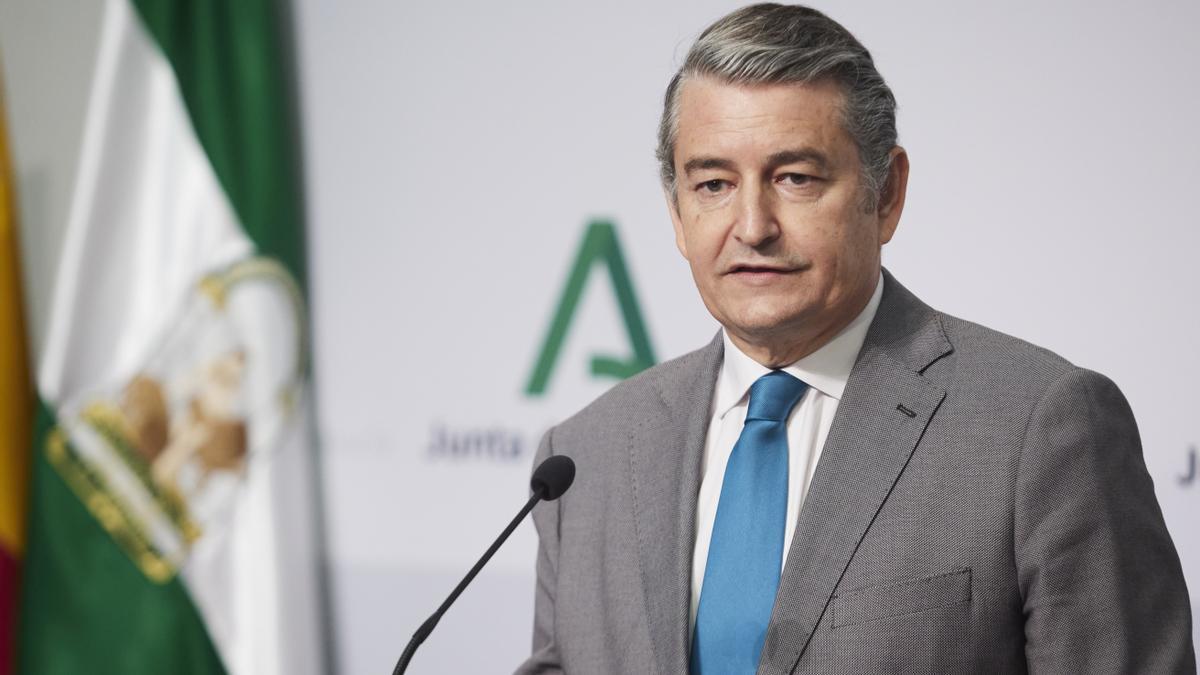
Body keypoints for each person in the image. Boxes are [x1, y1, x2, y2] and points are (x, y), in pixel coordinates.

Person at [516, 4, 1195, 673]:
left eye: (795, 178)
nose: (752, 225)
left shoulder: (1039, 428)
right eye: (714, 183)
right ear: (678, 213)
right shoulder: (586, 458)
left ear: (887, 193)